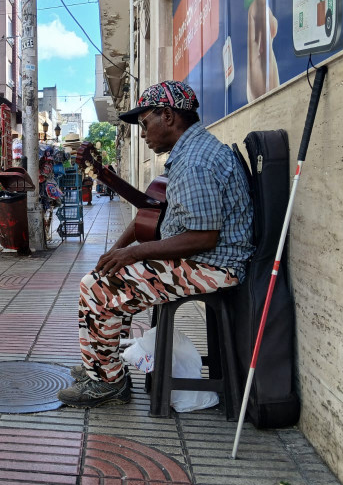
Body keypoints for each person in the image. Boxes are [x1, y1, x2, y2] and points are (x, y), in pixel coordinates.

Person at [57, 80, 254, 408]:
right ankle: (102, 364)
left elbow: (203, 237)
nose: (143, 133)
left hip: (215, 265)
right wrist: (116, 252)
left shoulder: (196, 163)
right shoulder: (190, 153)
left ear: (168, 116)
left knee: (97, 288)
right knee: (105, 278)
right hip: (203, 259)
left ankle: (108, 382)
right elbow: (153, 213)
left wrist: (131, 253)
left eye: (145, 123)